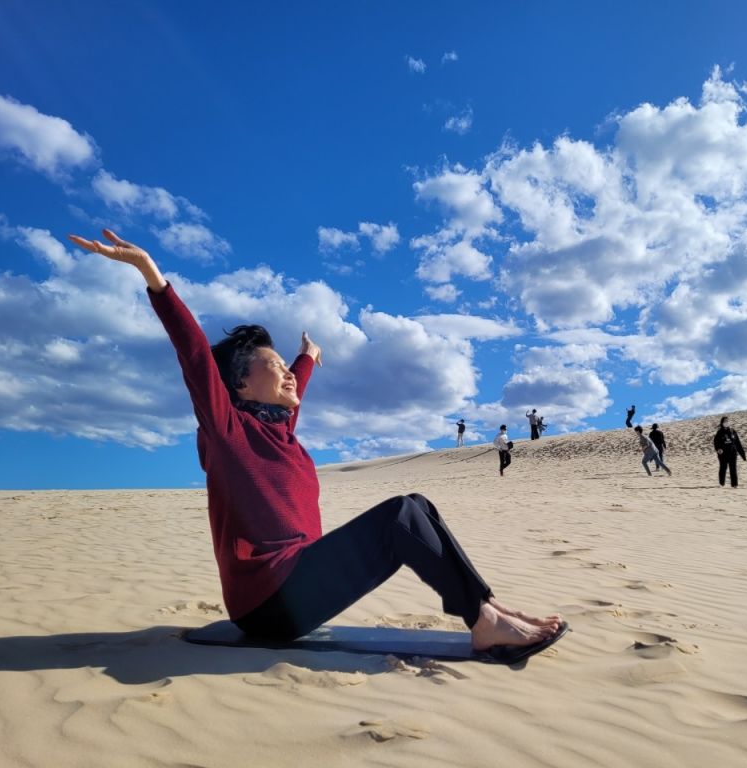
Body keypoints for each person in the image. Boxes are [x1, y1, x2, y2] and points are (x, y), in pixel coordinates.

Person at [67, 230, 562, 653]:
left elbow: (292, 393)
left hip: (297, 583)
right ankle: (483, 621)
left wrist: (306, 356)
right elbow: (195, 357)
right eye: (274, 365)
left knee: (417, 505)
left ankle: (488, 606)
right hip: (267, 603)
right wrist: (152, 275)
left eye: (287, 367)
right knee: (399, 516)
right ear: (240, 385)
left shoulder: (279, 431)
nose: (287, 374)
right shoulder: (227, 431)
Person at [713, 415, 746, 488]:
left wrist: (743, 455)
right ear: (722, 423)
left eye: (727, 421)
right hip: (723, 454)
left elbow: (738, 443)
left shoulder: (732, 431)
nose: (726, 422)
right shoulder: (719, 432)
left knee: (733, 469)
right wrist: (718, 449)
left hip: (732, 453)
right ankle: (721, 483)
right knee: (723, 468)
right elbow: (716, 442)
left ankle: (734, 484)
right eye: (725, 421)